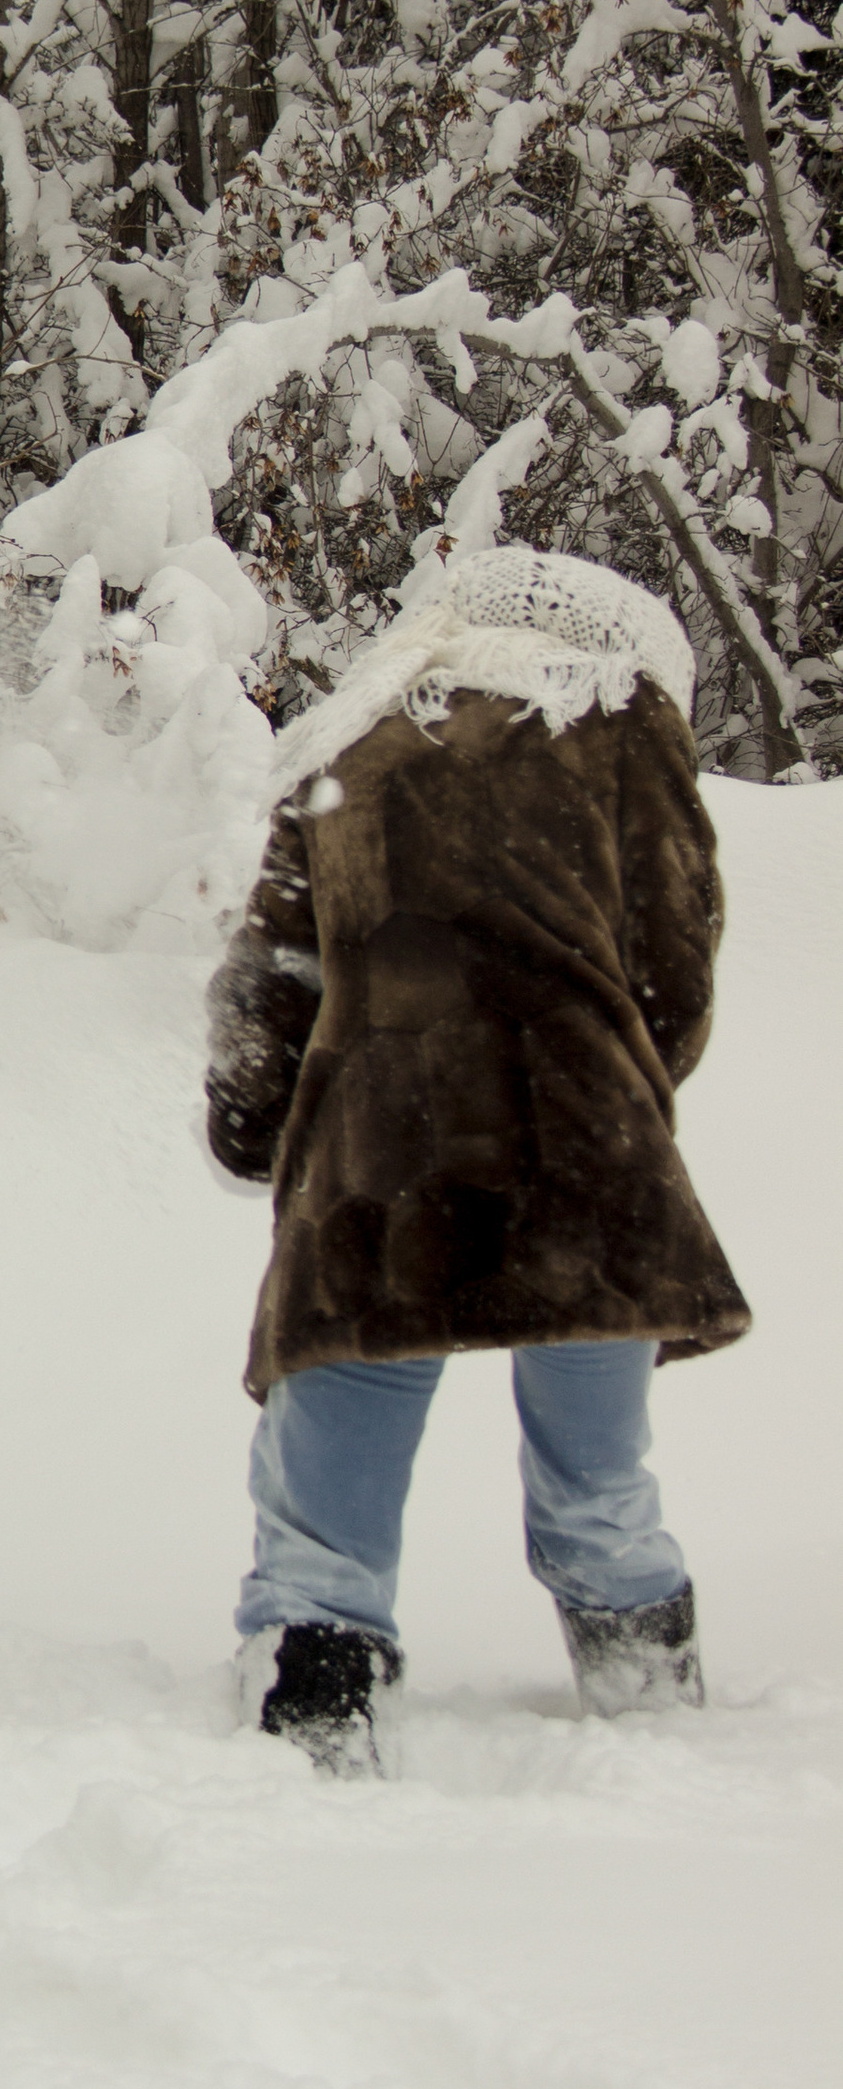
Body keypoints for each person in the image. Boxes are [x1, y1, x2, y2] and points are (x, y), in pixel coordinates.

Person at [204, 543, 749, 1773]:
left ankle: (314, 1710)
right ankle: (647, 1707)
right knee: (600, 1473)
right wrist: (626, 1079)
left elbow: (269, 975)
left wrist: (252, 1125)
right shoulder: (617, 719)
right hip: (584, 1139)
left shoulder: (349, 741)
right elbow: (673, 950)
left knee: (329, 1487)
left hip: (375, 1152)